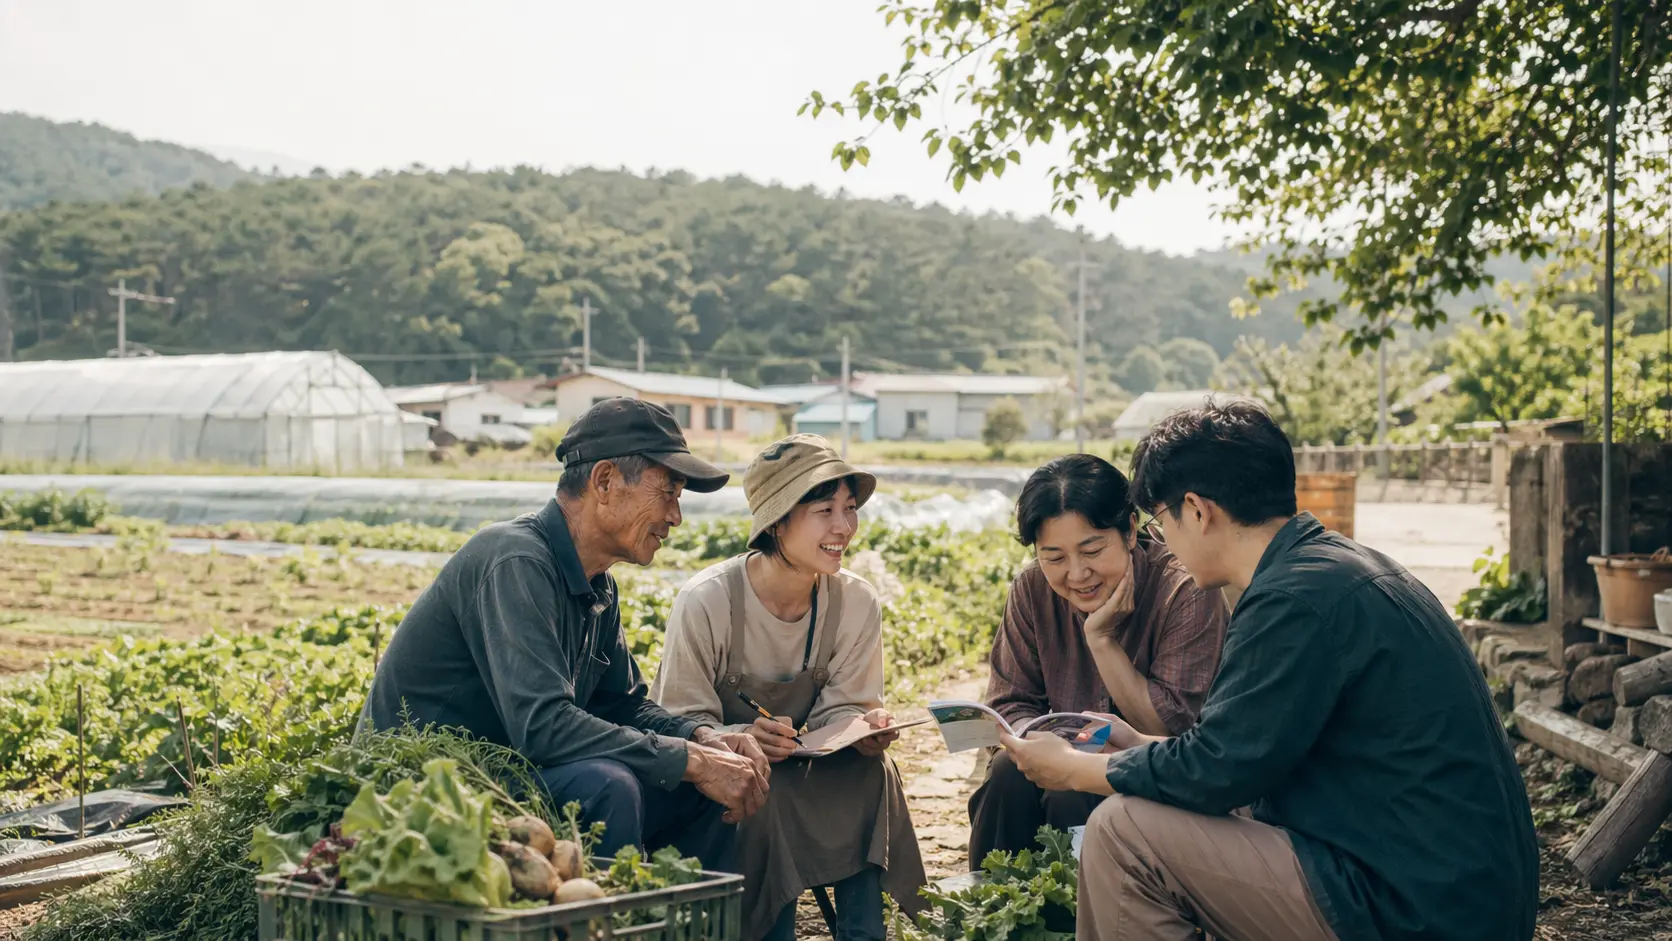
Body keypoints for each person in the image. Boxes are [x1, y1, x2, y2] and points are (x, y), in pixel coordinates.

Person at [999, 401, 1539, 941]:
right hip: (1441, 885)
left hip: (1408, 905)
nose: (1162, 542)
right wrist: (1139, 744)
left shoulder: (1291, 600)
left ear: (1197, 510)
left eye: (1160, 521)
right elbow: (1244, 753)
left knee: (1124, 831)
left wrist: (1074, 768)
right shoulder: (1334, 569)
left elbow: (1217, 771)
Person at [359, 398, 770, 871]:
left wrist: (700, 737)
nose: (676, 517)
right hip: (432, 786)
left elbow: (622, 704)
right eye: (668, 492)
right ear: (605, 481)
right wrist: (689, 759)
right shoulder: (517, 562)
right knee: (608, 784)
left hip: (510, 768)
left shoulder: (597, 583)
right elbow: (543, 727)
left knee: (701, 791)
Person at [651, 434, 926, 941]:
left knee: (872, 769)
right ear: (777, 522)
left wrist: (860, 728)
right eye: (825, 510)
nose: (844, 527)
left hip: (815, 767)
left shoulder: (855, 602)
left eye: (849, 508)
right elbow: (675, 722)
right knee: (758, 780)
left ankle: (864, 933)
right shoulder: (708, 602)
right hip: (729, 775)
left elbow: (847, 706)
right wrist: (738, 734)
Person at [968, 453, 1228, 867]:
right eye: (1054, 557)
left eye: (1091, 550)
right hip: (1062, 757)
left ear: (1129, 530)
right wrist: (1034, 741)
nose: (1076, 574)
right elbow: (1009, 701)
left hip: (1156, 777)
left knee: (1070, 797)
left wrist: (1102, 639)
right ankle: (993, 918)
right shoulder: (1032, 589)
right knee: (1005, 776)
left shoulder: (1184, 590)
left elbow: (1169, 726)